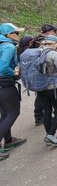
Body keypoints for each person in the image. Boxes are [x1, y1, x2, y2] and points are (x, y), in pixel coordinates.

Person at [33, 24, 57, 125]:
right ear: (48, 32)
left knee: (43, 95)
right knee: (45, 95)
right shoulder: (41, 42)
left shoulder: (39, 41)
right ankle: (42, 116)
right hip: (47, 75)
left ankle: (44, 116)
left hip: (42, 75)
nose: (55, 33)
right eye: (54, 31)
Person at [34, 35, 57, 146]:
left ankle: (50, 134)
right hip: (54, 87)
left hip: (40, 87)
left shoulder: (36, 52)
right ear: (54, 43)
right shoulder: (53, 54)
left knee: (47, 111)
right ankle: (50, 135)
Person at [0, 23, 27, 161]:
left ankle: (9, 140)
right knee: (13, 112)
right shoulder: (9, 46)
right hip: (5, 83)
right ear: (8, 35)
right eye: (16, 33)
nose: (18, 35)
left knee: (5, 113)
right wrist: (15, 73)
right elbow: (3, 68)